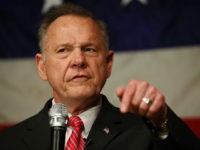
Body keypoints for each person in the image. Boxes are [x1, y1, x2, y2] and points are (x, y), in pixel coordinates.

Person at [0, 3, 199, 150]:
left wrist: (161, 120)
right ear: (42, 67)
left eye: (89, 49)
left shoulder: (146, 133)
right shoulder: (10, 142)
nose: (78, 60)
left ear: (108, 64)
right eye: (63, 50)